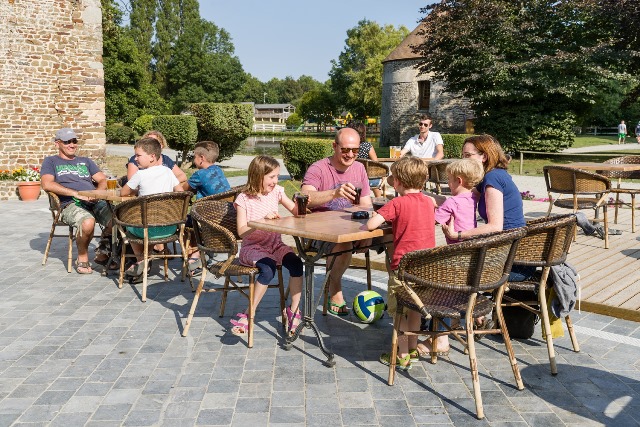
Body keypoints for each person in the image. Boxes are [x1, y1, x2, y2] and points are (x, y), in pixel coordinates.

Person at [366, 156, 435, 370]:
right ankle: (412, 349)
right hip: (426, 268)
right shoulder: (428, 201)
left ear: (397, 182)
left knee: (399, 312)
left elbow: (371, 225)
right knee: (415, 310)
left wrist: (380, 215)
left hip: (402, 269)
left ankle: (401, 354)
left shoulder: (396, 203)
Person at [301, 127, 373, 316]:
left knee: (393, 239)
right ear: (334, 146)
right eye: (345, 150)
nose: (350, 154)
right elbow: (303, 196)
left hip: (352, 227)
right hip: (320, 232)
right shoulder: (319, 168)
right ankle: (335, 288)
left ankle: (398, 296)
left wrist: (368, 233)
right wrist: (334, 193)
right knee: (344, 243)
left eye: (355, 150)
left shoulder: (359, 168)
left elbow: (366, 204)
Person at [232, 156, 304, 336]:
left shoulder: (277, 192)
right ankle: (249, 314)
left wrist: (301, 203)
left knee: (297, 264)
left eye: (277, 176)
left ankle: (293, 311)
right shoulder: (243, 199)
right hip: (253, 248)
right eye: (272, 177)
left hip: (275, 245)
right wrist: (263, 221)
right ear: (258, 176)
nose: (276, 181)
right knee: (268, 269)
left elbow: (296, 212)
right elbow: (241, 231)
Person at [418, 158, 485, 355]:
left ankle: (440, 338)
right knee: (463, 286)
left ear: (458, 180)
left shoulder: (452, 202)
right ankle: (475, 317)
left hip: (456, 255)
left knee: (441, 290)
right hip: (471, 254)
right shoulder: (473, 198)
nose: (448, 184)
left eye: (448, 180)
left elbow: (432, 221)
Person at [41, 128, 113, 274]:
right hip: (69, 203)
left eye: (74, 141)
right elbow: (47, 184)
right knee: (87, 222)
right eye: (67, 142)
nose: (72, 145)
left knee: (118, 218)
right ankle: (82, 257)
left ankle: (104, 251)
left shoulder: (85, 161)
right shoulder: (51, 161)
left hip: (94, 200)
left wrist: (98, 193)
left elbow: (102, 179)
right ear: (57, 144)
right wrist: (76, 194)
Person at [120, 137, 184, 277]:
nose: (135, 159)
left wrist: (138, 190)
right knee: (147, 223)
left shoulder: (140, 174)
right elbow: (180, 193)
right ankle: (146, 257)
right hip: (170, 228)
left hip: (147, 230)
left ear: (152, 157)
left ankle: (141, 260)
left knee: (129, 225)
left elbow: (124, 192)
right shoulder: (167, 172)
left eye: (138, 155)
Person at [181, 141, 231, 275]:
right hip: (226, 216)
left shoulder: (200, 174)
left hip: (208, 218)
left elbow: (183, 190)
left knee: (183, 223)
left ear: (201, 158)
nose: (193, 159)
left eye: (194, 156)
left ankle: (195, 256)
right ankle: (200, 253)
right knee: (191, 219)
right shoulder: (218, 170)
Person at [347, 121, 383, 197]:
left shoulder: (346, 147)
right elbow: (376, 164)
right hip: (368, 179)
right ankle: (379, 199)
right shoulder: (367, 146)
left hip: (349, 178)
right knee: (376, 178)